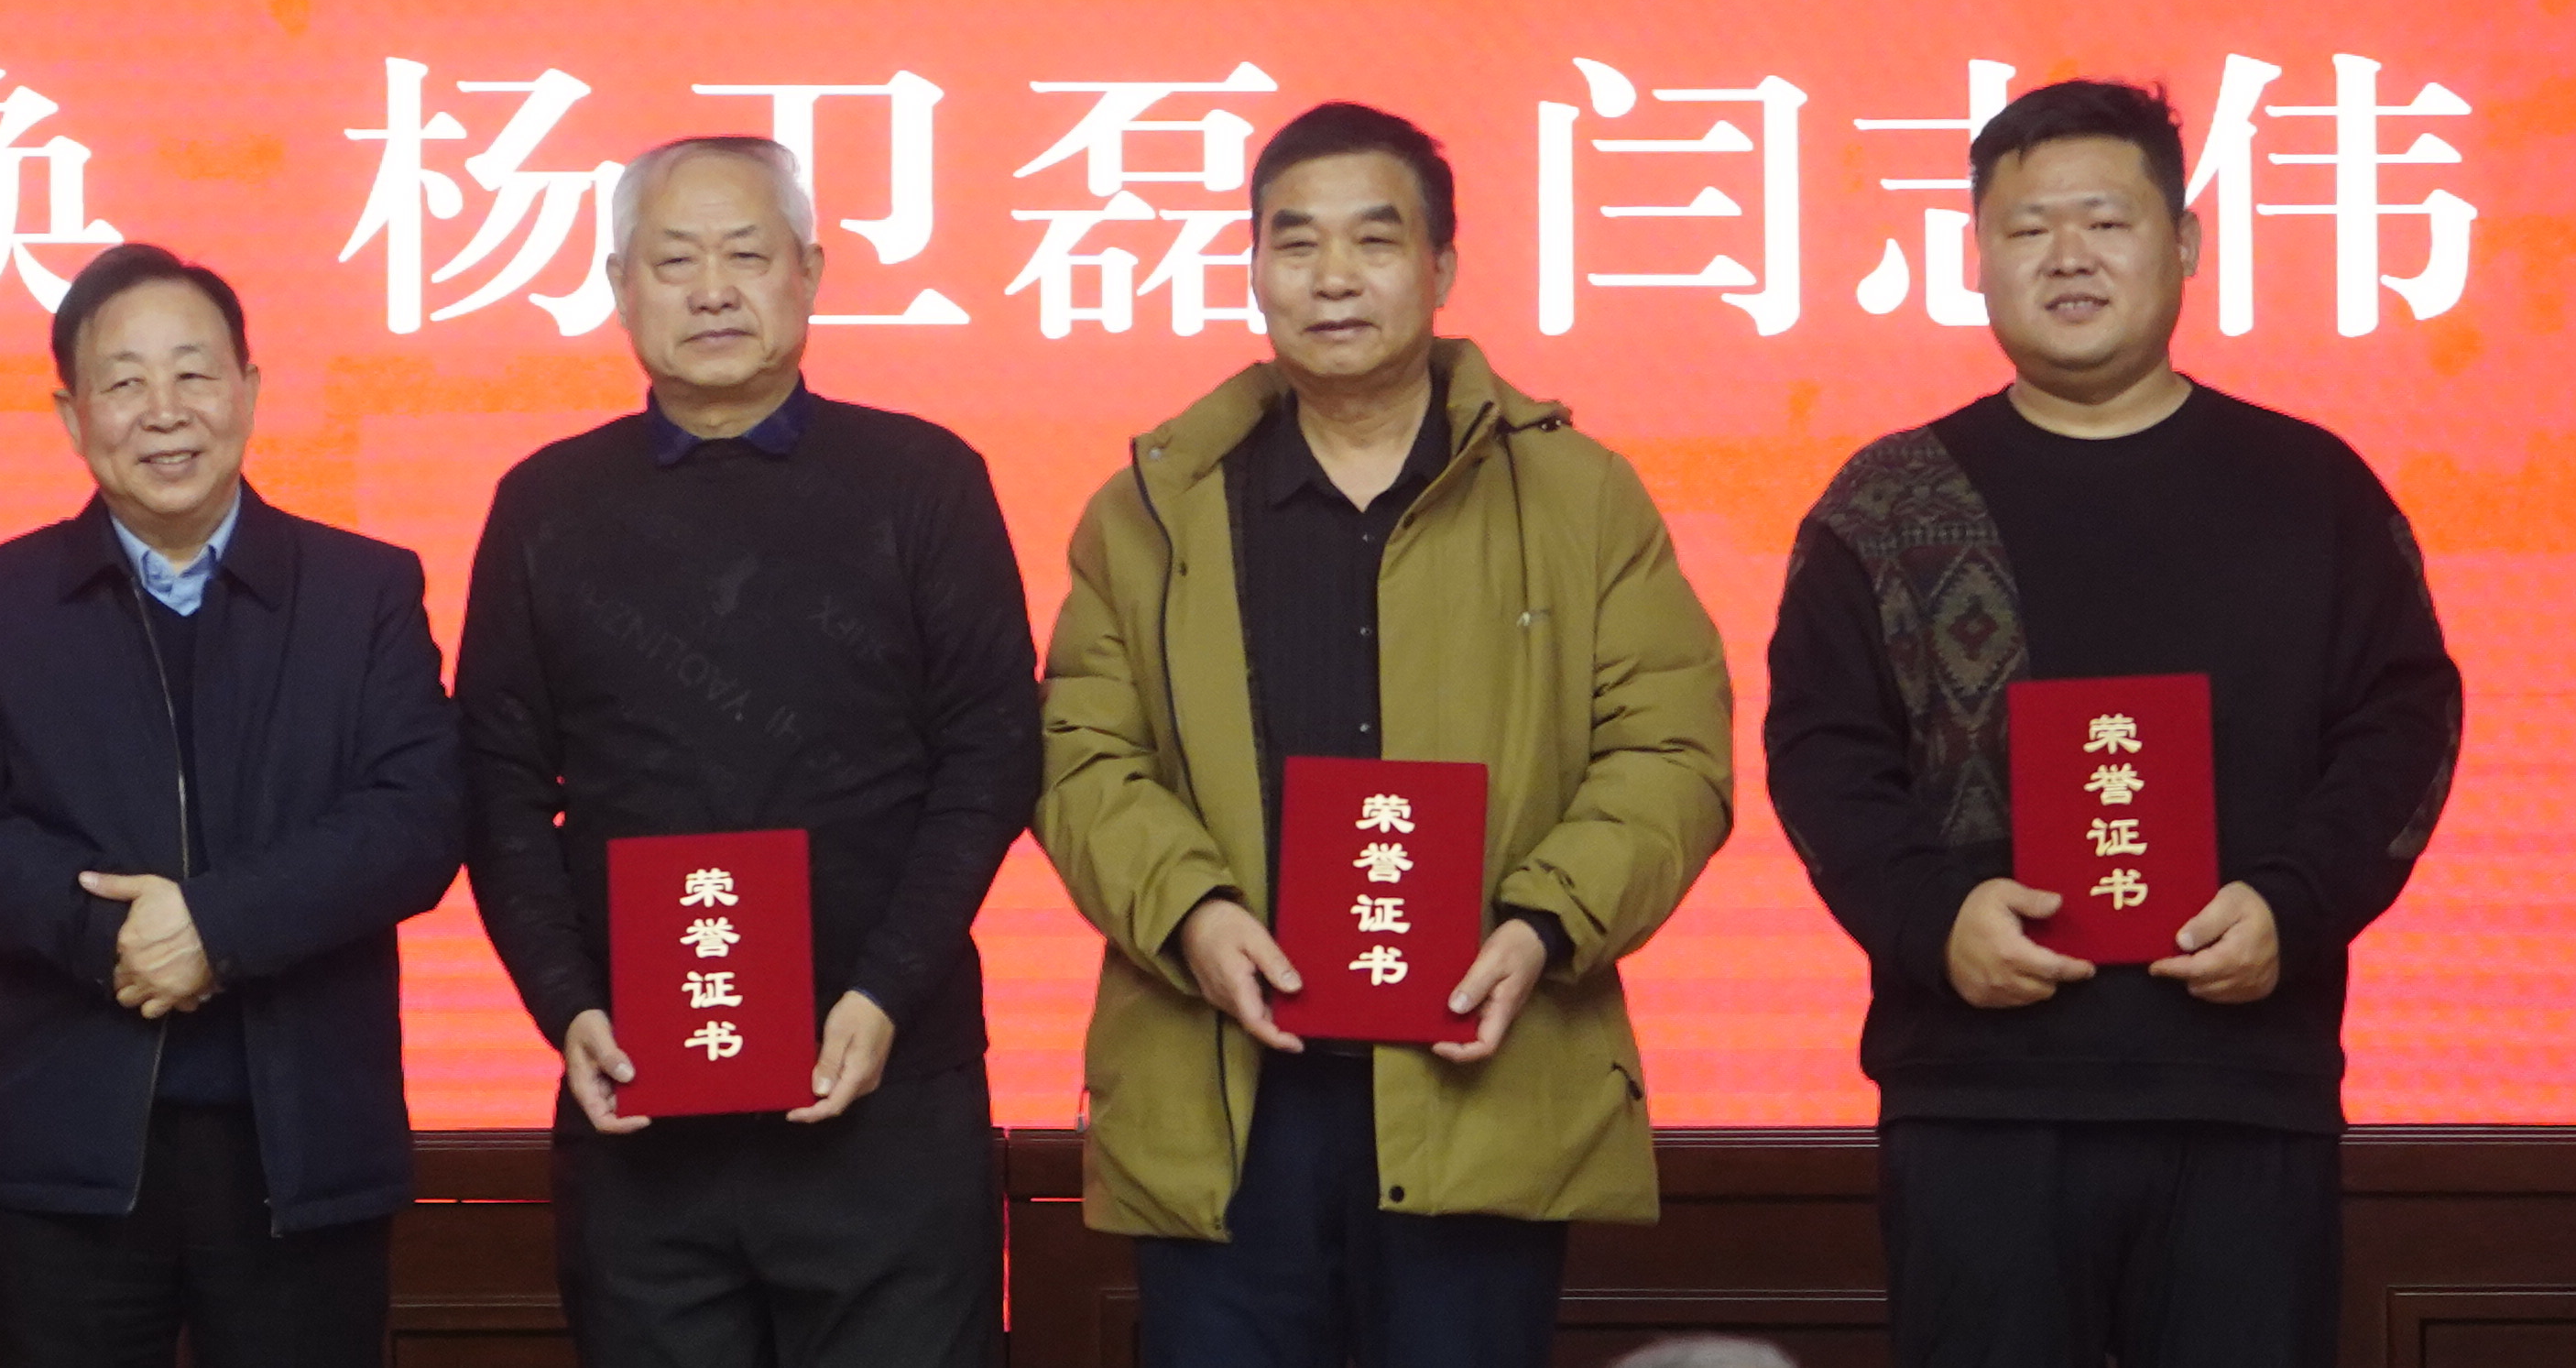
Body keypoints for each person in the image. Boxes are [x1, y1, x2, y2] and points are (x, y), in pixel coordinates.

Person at [1760, 80, 2465, 1368]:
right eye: (2027, 228)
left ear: (2183, 244)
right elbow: (1820, 751)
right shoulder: (1890, 501)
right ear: (1977, 256)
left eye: (2105, 220)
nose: (2067, 256)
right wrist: (1932, 919)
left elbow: (2403, 723)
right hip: (1979, 1097)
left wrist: (2297, 904)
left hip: (2243, 1090)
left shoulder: (2311, 486)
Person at [1038, 102, 1738, 1368]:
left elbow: (1670, 750)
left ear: (1442, 266)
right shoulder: (1151, 506)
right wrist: (1191, 911)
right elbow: (1081, 754)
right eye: (1295, 241)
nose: (1333, 275)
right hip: (1225, 1094)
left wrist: (1541, 924)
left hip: (1485, 1072)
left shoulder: (1579, 496)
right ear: (1254, 267)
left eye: (1374, 238)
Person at [456, 137, 1038, 1368]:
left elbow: (991, 752)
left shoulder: (923, 479)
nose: (713, 289)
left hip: (889, 1092)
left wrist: (884, 990)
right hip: (641, 1108)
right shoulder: (545, 502)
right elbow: (498, 783)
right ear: (620, 287)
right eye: (675, 260)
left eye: (747, 254)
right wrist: (567, 1003)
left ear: (810, 272)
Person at [0, 243, 464, 1368]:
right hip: (63, 1152)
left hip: (303, 1149)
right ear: (70, 413)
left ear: (250, 388)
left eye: (193, 372)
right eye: (124, 380)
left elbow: (418, 815)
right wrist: (105, 931)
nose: (164, 410)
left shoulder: (363, 590)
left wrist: (219, 926)